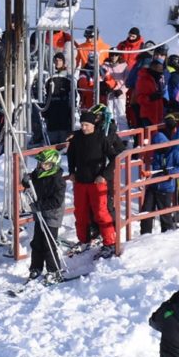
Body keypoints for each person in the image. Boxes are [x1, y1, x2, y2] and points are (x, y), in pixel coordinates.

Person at [67, 109, 120, 255]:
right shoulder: (77, 138)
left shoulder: (101, 138)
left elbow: (114, 158)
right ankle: (84, 240)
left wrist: (104, 175)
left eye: (86, 125)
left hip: (97, 181)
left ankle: (110, 242)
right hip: (81, 181)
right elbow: (71, 156)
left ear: (93, 125)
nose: (84, 128)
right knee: (80, 213)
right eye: (82, 125)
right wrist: (72, 171)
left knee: (101, 213)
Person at [20, 145, 66, 284]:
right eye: (41, 163)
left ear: (53, 165)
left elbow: (56, 201)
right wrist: (26, 180)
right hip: (40, 213)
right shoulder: (38, 173)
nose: (42, 166)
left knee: (49, 243)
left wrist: (38, 206)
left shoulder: (57, 180)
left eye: (46, 164)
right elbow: (29, 183)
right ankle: (36, 267)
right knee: (37, 242)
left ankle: (54, 270)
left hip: (52, 214)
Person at [139, 112, 179, 234]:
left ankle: (167, 234)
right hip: (153, 185)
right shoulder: (156, 153)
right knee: (146, 211)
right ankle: (144, 234)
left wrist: (170, 172)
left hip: (166, 187)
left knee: (165, 214)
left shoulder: (174, 152)